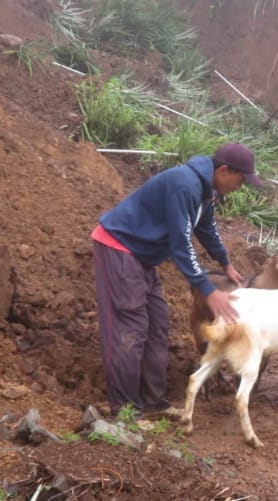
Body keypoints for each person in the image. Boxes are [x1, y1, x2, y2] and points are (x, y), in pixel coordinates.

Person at [91, 142, 263, 418]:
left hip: (142, 256)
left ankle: (154, 402)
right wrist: (208, 289)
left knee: (158, 325)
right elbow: (180, 243)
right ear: (223, 170)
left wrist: (225, 262)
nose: (240, 186)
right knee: (130, 327)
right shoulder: (185, 185)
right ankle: (124, 412)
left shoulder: (207, 191)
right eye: (241, 180)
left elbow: (206, 228)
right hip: (119, 247)